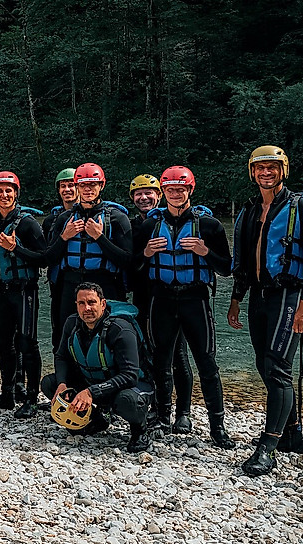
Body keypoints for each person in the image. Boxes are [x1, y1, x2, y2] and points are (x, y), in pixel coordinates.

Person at [229, 145, 303, 476]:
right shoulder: (249, 210)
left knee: (277, 368)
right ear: (252, 173)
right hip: (259, 295)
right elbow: (243, 261)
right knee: (264, 364)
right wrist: (236, 298)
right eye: (260, 168)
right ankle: (293, 433)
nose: (266, 173)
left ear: (282, 170)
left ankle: (267, 447)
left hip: (290, 294)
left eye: (272, 167)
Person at [133, 166, 235, 448]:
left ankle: (217, 426)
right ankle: (162, 418)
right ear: (163, 192)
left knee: (207, 363)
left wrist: (205, 252)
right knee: (161, 361)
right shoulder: (149, 226)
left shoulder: (209, 226)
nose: (175, 194)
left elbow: (227, 267)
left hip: (195, 299)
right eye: (170, 190)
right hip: (161, 299)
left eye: (181, 189)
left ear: (190, 190)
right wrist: (146, 252)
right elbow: (133, 268)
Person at [41, 283, 155, 452]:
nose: (87, 308)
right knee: (50, 383)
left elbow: (130, 375)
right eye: (81, 303)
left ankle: (140, 430)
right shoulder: (72, 323)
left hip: (128, 386)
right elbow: (61, 356)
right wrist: (62, 383)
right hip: (94, 382)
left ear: (102, 304)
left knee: (128, 401)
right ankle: (95, 419)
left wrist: (91, 392)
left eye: (91, 302)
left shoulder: (121, 329)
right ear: (76, 305)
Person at [128, 173, 195, 430]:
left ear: (160, 195)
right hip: (145, 298)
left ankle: (184, 412)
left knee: (178, 354)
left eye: (149, 193)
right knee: (152, 354)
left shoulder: (179, 221)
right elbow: (131, 263)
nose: (144, 198)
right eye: (138, 194)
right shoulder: (135, 225)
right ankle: (159, 407)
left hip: (172, 296)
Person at [0, 172, 47, 417]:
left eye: (9, 191)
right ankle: (7, 394)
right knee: (2, 344)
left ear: (16, 193)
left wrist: (15, 248)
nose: (4, 195)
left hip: (24, 290)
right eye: (0, 191)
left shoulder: (27, 223)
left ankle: (31, 398)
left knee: (27, 343)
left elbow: (45, 257)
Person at [43, 164, 133, 330]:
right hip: (71, 285)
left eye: (92, 184)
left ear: (101, 186)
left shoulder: (117, 218)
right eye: (82, 185)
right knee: (68, 336)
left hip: (105, 285)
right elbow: (48, 258)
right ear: (77, 187)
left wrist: (99, 237)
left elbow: (127, 261)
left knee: (108, 338)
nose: (87, 189)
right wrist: (64, 237)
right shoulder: (64, 219)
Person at [43, 168, 79, 351]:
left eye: (71, 185)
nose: (67, 189)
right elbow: (47, 256)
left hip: (83, 280)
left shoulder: (98, 217)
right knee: (60, 329)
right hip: (59, 282)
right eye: (63, 186)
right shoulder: (51, 221)